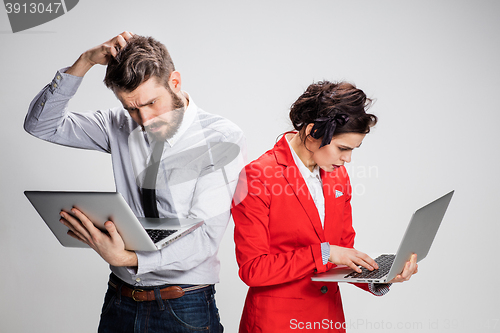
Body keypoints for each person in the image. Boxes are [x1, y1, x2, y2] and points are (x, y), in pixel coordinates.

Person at [24, 31, 245, 332]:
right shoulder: (118, 124)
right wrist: (86, 61)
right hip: (120, 299)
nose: (144, 119)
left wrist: (128, 257)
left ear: (175, 82)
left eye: (152, 102)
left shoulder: (220, 137)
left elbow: (204, 240)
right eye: (131, 107)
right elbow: (41, 125)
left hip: (184, 305)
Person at [231, 81, 418, 332]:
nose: (347, 159)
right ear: (312, 131)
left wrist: (381, 277)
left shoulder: (338, 176)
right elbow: (253, 270)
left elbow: (343, 253)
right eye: (342, 148)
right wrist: (324, 253)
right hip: (276, 322)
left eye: (353, 150)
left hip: (328, 320)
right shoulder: (258, 176)